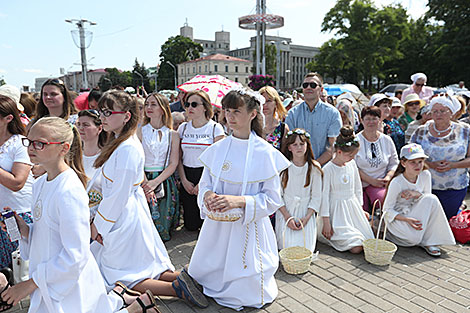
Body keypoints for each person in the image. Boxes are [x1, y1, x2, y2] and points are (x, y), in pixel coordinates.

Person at [91, 90, 207, 308]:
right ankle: (191, 279)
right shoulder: (120, 142)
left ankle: (176, 289)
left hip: (120, 218)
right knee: (140, 265)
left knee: (122, 274)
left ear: (126, 116)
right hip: (127, 214)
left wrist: (98, 227)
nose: (102, 117)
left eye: (108, 112)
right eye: (101, 112)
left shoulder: (127, 148)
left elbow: (117, 195)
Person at [187, 89, 290, 310]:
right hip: (217, 227)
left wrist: (239, 201)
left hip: (248, 229)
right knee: (208, 273)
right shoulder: (218, 148)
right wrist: (208, 196)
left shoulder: (265, 153)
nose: (230, 116)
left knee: (248, 292)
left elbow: (272, 199)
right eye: (227, 110)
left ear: (253, 114)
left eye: (236, 111)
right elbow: (205, 183)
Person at [383, 143, 455, 257]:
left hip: (417, 213)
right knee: (413, 240)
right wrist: (406, 219)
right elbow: (387, 210)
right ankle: (393, 234)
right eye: (413, 162)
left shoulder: (425, 174)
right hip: (400, 218)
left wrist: (416, 194)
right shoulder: (397, 182)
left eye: (420, 162)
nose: (418, 165)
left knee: (432, 198)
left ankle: (430, 241)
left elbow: (428, 202)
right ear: (403, 163)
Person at [411, 94, 470, 219]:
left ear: (452, 112)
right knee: (428, 219)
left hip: (455, 186)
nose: (438, 114)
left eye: (442, 111)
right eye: (435, 111)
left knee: (448, 219)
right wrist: (430, 164)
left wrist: (454, 165)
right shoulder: (421, 131)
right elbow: (409, 156)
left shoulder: (465, 130)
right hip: (426, 185)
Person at [320, 126, 374, 253]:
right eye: (350, 155)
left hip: (352, 208)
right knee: (356, 247)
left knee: (367, 241)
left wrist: (361, 209)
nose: (352, 158)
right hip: (337, 212)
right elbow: (324, 197)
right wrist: (326, 222)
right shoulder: (328, 170)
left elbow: (357, 187)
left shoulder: (352, 164)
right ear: (339, 152)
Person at [177, 90, 224, 231]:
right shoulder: (183, 128)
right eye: (187, 104)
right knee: (190, 225)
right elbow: (178, 157)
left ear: (205, 107)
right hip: (187, 174)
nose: (189, 108)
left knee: (207, 224)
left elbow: (219, 160)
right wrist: (184, 180)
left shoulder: (215, 128)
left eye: (194, 104)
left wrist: (202, 183)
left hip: (207, 175)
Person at [138, 93, 180, 241]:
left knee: (161, 221)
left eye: (153, 104)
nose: (148, 107)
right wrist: (145, 183)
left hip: (163, 180)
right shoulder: (139, 131)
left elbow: (173, 163)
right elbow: (136, 160)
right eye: (147, 104)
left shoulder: (173, 134)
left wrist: (155, 182)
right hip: (141, 178)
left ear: (163, 109)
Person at [275, 128, 322, 253]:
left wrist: (306, 218)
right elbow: (278, 196)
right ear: (289, 147)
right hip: (287, 212)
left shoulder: (314, 168)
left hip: (305, 212)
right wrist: (288, 217)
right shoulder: (283, 168)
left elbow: (316, 196)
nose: (299, 147)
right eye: (295, 144)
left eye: (302, 144)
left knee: (305, 249)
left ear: (307, 145)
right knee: (287, 248)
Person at [0, 95, 33, 268]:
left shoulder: (19, 143)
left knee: (18, 268)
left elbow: (17, 182)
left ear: (8, 118)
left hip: (15, 215)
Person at [285, 72, 342, 166]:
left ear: (321, 89)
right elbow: (289, 144)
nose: (308, 88)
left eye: (313, 85)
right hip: (298, 168)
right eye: (305, 85)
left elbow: (333, 147)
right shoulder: (292, 114)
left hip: (323, 170)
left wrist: (314, 165)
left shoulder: (332, 113)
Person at [355, 106, 399, 212]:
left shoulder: (387, 140)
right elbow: (352, 166)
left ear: (380, 120)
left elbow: (394, 162)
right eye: (368, 119)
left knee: (382, 200)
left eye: (374, 118)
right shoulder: (355, 141)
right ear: (362, 120)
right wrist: (371, 181)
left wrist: (388, 177)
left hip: (380, 183)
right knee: (360, 210)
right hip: (358, 184)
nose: (371, 122)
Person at [77, 109, 107, 220]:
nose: (81, 128)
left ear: (99, 128)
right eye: (79, 124)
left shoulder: (108, 157)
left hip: (98, 218)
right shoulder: (71, 157)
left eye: (85, 125)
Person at [259, 86, 289, 151]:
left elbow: (283, 155)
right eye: (262, 101)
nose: (265, 104)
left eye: (269, 101)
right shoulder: (251, 126)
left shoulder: (283, 128)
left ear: (276, 103)